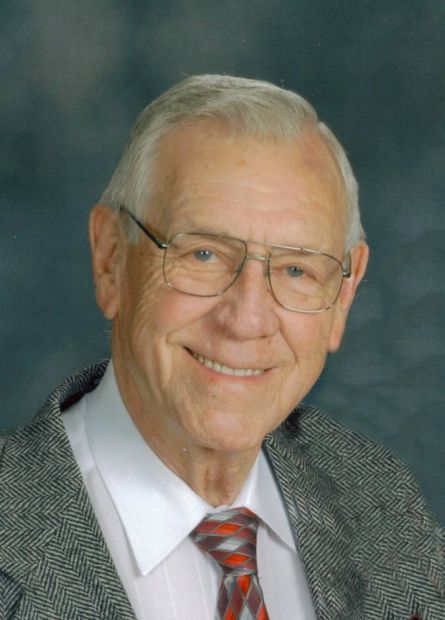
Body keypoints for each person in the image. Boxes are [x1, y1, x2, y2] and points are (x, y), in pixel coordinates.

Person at [0, 75, 443, 620]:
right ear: (111, 258)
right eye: (203, 254)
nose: (246, 320)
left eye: (296, 269)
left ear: (344, 295)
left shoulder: (386, 508)